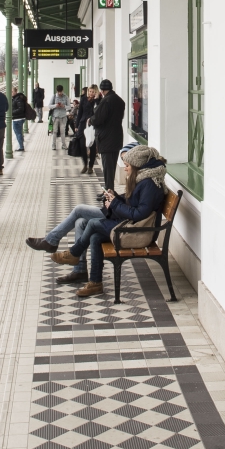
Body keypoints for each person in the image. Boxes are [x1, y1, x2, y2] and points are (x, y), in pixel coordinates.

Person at [52, 145, 167, 297]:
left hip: (140, 231)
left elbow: (139, 213)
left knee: (92, 224)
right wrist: (115, 198)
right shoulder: (143, 179)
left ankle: (74, 253)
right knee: (94, 236)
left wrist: (115, 204)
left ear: (137, 166)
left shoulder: (149, 184)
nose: (125, 169)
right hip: (132, 225)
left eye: (127, 166)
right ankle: (95, 283)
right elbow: (133, 205)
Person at [91, 79, 126, 193]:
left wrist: (90, 120)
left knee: (107, 168)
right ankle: (109, 190)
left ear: (102, 90)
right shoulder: (120, 101)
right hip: (116, 137)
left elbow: (98, 119)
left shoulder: (106, 101)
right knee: (111, 167)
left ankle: (108, 191)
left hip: (106, 138)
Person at [76, 85, 99, 175]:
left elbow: (99, 110)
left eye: (93, 92)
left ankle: (90, 166)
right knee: (82, 146)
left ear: (96, 92)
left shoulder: (98, 101)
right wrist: (77, 125)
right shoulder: (83, 99)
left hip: (93, 125)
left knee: (92, 146)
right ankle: (85, 164)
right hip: (83, 124)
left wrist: (97, 99)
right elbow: (80, 113)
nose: (91, 93)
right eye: (90, 91)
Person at [49, 85, 69, 151]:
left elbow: (69, 107)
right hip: (55, 117)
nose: (60, 93)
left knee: (62, 132)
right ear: (57, 91)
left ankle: (64, 145)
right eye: (58, 92)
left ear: (63, 90)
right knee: (54, 132)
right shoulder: (54, 96)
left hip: (63, 117)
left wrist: (64, 106)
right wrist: (55, 105)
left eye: (61, 92)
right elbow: (49, 106)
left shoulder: (66, 97)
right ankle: (53, 145)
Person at [10, 86, 28, 152]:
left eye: (12, 91)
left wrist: (11, 113)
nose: (11, 93)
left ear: (15, 92)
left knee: (18, 133)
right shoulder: (16, 98)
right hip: (18, 118)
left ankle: (21, 147)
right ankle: (21, 145)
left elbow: (20, 109)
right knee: (19, 132)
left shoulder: (18, 99)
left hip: (17, 119)